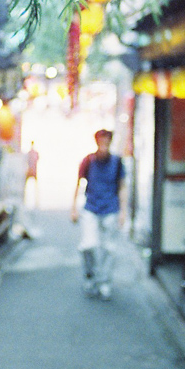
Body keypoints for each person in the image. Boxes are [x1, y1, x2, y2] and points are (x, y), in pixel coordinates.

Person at [71, 129, 127, 301]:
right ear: (96, 142)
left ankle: (104, 282)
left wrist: (123, 211)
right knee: (88, 245)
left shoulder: (117, 162)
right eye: (101, 141)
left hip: (110, 208)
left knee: (109, 248)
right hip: (91, 207)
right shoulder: (88, 161)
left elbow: (122, 186)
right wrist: (73, 207)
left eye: (107, 142)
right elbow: (79, 183)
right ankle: (91, 275)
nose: (104, 145)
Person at [24, 141, 40, 209]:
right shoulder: (33, 153)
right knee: (30, 186)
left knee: (33, 186)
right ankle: (34, 201)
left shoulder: (30, 153)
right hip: (32, 170)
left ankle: (36, 201)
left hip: (31, 170)